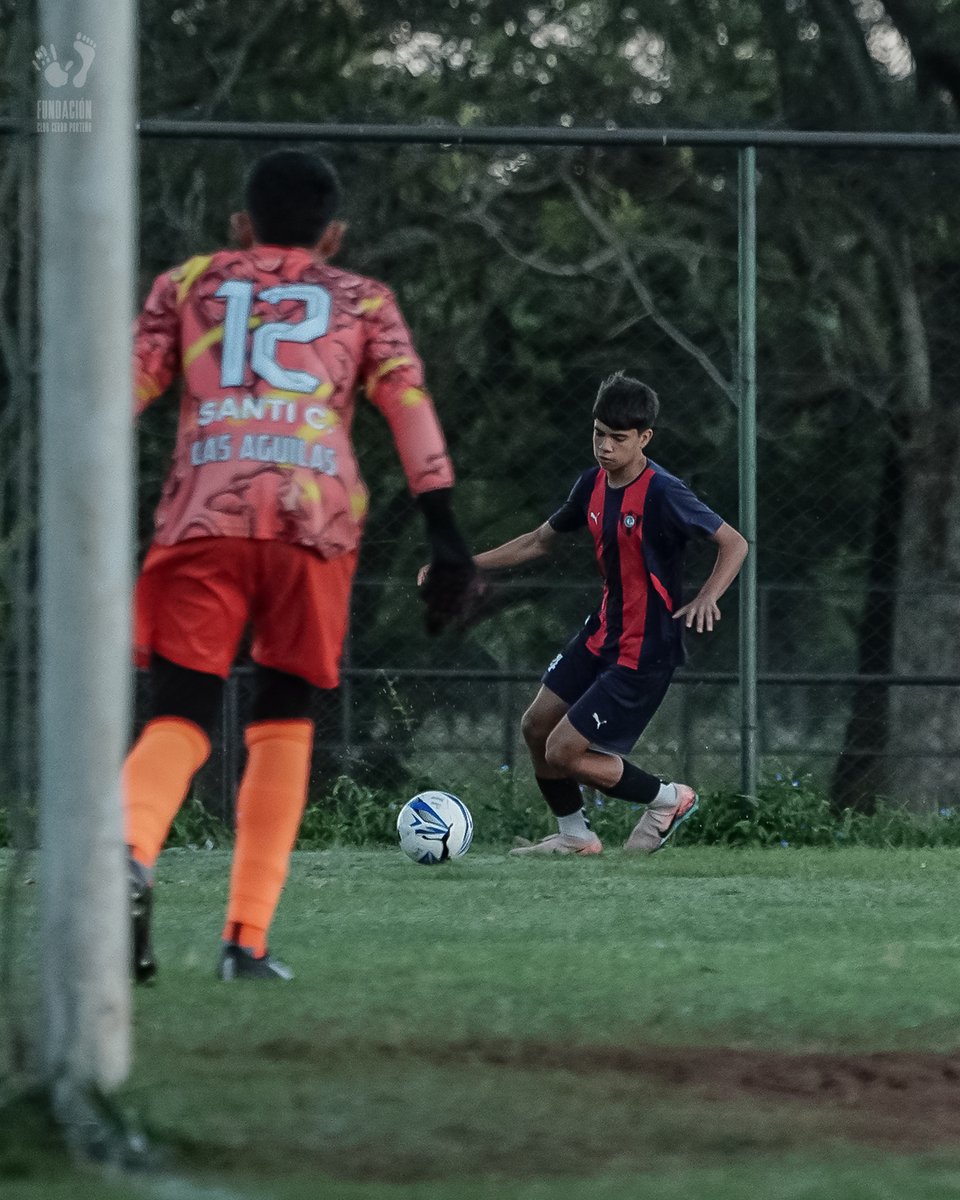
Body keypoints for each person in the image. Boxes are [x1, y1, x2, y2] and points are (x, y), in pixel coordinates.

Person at [125, 149, 477, 982]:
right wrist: (445, 534)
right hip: (312, 520)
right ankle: (245, 941)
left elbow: (122, 390)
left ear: (240, 225)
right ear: (334, 235)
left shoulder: (187, 284)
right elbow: (408, 404)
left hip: (204, 512)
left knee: (180, 711)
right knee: (283, 717)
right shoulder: (362, 298)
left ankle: (127, 849)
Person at [468, 372, 747, 856]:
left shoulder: (664, 491)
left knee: (563, 751)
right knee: (536, 727)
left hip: (646, 649)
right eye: (598, 433)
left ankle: (669, 800)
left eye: (618, 438)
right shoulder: (591, 484)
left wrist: (708, 596)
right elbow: (538, 541)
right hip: (602, 632)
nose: (605, 446)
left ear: (644, 438)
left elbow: (734, 543)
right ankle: (576, 837)